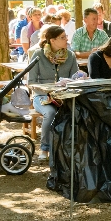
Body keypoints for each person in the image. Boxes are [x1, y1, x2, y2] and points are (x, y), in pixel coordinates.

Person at [29, 25, 80, 162]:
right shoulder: (38, 55)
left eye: (66, 37)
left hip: (64, 97)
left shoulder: (70, 55)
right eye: (63, 37)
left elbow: (75, 79)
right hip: (42, 96)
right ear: (52, 40)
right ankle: (45, 149)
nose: (66, 40)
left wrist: (77, 79)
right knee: (50, 113)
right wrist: (48, 90)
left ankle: (70, 149)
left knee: (77, 112)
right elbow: (31, 82)